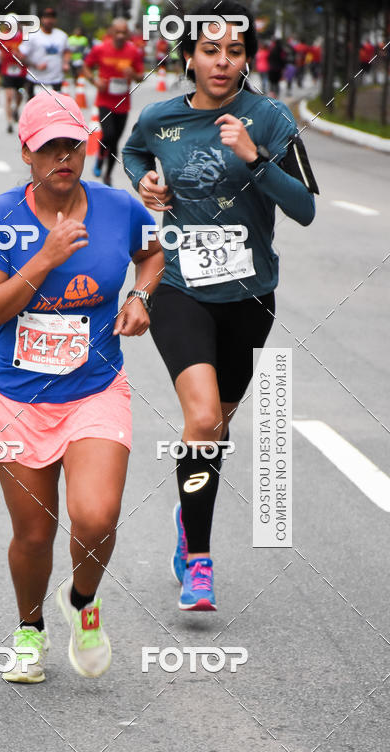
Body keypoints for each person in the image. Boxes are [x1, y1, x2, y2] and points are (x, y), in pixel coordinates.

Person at [122, 0, 318, 612]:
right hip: (179, 288)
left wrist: (256, 160)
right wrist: (145, 182)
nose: (222, 62)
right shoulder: (161, 119)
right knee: (204, 419)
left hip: (251, 296)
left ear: (246, 58)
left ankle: (188, 516)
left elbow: (306, 207)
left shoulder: (270, 118)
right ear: (189, 56)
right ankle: (199, 562)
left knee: (216, 427)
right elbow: (133, 151)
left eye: (234, 51)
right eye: (211, 50)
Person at [0, 91, 163, 683]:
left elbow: (152, 253)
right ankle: (29, 631)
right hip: (18, 398)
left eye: (73, 145)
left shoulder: (116, 207)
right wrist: (44, 259)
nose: (62, 156)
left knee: (96, 515)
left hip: (95, 389)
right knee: (33, 533)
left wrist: (139, 295)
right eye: (49, 145)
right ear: (26, 151)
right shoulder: (1, 216)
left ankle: (82, 602)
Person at [83, 19, 144, 186]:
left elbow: (141, 76)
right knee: (108, 135)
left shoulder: (133, 51)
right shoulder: (100, 49)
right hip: (104, 101)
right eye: (117, 32)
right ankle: (100, 158)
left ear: (128, 34)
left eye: (123, 32)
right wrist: (95, 81)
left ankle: (108, 174)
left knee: (115, 140)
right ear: (111, 32)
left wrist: (133, 73)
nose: (120, 36)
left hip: (123, 103)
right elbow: (86, 66)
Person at [20, 7, 70, 99]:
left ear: (55, 20)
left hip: (56, 79)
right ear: (42, 19)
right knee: (35, 109)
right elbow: (21, 56)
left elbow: (66, 51)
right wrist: (36, 65)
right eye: (46, 17)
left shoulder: (62, 36)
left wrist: (66, 63)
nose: (49, 20)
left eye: (52, 17)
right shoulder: (32, 36)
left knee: (54, 109)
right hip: (36, 79)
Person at [0, 19, 27, 133]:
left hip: (20, 70)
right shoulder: (2, 36)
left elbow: (26, 52)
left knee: (19, 93)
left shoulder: (23, 37)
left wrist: (20, 55)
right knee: (8, 96)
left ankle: (16, 109)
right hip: (7, 70)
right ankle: (9, 122)